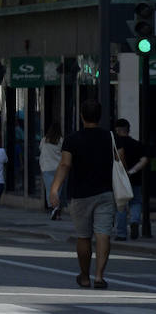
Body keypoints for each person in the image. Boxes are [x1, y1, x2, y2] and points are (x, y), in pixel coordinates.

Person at [50, 99, 117, 288]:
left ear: (81, 116)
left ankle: (85, 277)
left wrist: (54, 189)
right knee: (103, 234)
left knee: (83, 236)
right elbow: (120, 160)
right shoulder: (110, 137)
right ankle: (99, 276)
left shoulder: (72, 139)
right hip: (106, 192)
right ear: (100, 116)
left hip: (80, 194)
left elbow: (65, 164)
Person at [111, 118, 147, 241]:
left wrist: (125, 172)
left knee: (121, 205)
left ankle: (121, 234)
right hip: (135, 178)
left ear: (117, 130)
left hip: (120, 179)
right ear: (128, 129)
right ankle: (134, 221)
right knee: (136, 202)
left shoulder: (116, 144)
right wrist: (133, 171)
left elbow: (118, 158)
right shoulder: (137, 144)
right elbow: (144, 160)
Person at [39, 121, 64, 220]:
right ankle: (57, 210)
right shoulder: (61, 140)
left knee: (50, 190)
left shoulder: (44, 140)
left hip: (47, 168)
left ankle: (54, 208)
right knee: (58, 190)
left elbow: (40, 149)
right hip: (58, 168)